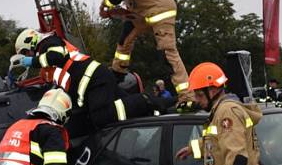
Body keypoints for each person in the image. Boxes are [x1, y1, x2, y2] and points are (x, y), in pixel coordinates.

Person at [13, 29, 168, 133]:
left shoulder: (48, 42)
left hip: (94, 78)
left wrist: (30, 61)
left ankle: (145, 100)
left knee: (101, 117)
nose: (29, 55)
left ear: (31, 41)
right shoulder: (46, 56)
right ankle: (160, 108)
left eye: (26, 52)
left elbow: (57, 56)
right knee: (124, 107)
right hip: (94, 79)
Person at [96, 0, 194, 111]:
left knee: (168, 54)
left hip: (159, 12)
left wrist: (104, 4)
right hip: (146, 14)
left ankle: (188, 97)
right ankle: (118, 71)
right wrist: (113, 14)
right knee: (125, 36)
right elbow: (129, 9)